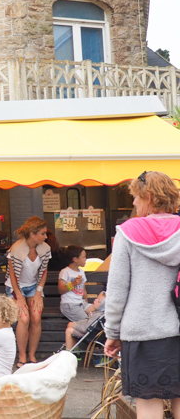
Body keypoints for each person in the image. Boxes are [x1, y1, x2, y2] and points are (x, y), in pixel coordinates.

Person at [104, 171, 180, 418]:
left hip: (143, 332)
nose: (134, 203)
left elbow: (117, 290)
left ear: (149, 197)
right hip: (177, 327)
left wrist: (113, 333)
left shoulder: (128, 232)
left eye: (136, 197)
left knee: (149, 402)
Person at [5, 216, 51, 367]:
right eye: (43, 233)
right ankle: (22, 356)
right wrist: (19, 296)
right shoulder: (16, 249)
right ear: (32, 234)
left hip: (33, 287)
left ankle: (32, 355)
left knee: (36, 317)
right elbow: (12, 275)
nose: (46, 236)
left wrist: (39, 292)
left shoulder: (45, 248)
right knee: (24, 318)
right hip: (15, 287)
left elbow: (44, 271)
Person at [58, 245, 96, 322]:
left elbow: (83, 290)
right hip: (70, 304)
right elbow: (61, 290)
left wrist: (86, 303)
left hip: (81, 303)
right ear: (75, 259)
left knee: (97, 314)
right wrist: (73, 284)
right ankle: (72, 332)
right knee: (87, 322)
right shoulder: (65, 272)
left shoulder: (81, 272)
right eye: (83, 257)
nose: (86, 259)